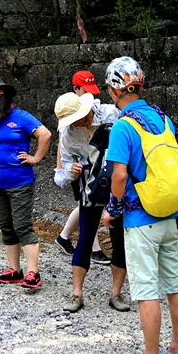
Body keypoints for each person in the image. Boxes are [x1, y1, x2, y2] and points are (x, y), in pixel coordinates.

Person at [102, 56, 178, 354]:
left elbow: (119, 176)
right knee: (173, 283)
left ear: (114, 90)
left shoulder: (123, 126)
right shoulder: (164, 119)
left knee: (145, 290)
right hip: (170, 215)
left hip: (141, 220)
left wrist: (113, 208)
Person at [0, 78, 52, 290]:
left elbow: (45, 134)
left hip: (20, 182)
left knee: (22, 226)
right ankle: (14, 270)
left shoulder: (22, 117)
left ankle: (33, 273)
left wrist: (35, 158)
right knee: (6, 227)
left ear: (7, 96)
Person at [53, 91, 129, 313]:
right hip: (90, 185)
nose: (77, 123)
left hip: (116, 181)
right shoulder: (67, 134)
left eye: (79, 118)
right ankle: (76, 294)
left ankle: (116, 294)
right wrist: (71, 170)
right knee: (85, 237)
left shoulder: (110, 114)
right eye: (72, 121)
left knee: (118, 238)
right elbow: (64, 168)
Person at [55, 70, 110, 264]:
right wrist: (62, 170)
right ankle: (92, 248)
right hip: (82, 168)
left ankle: (64, 237)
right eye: (85, 89)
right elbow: (62, 149)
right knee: (87, 205)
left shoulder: (104, 112)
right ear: (75, 88)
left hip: (100, 166)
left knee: (86, 205)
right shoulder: (66, 117)